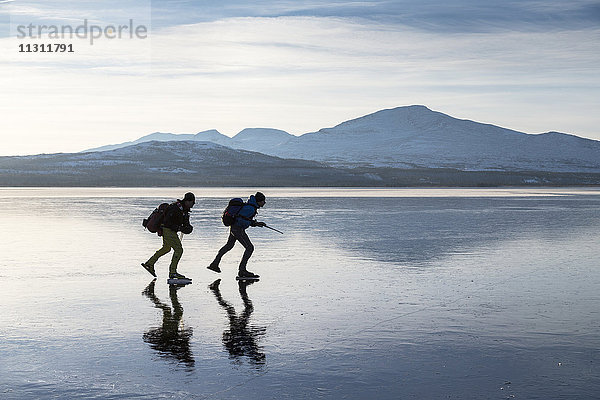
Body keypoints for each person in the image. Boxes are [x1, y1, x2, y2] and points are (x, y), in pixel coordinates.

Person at [207, 192, 266, 279]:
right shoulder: (251, 208)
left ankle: (214, 264)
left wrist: (255, 223)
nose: (264, 203)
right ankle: (242, 270)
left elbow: (243, 219)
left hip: (234, 228)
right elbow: (241, 220)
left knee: (229, 245)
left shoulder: (249, 206)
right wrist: (254, 223)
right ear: (259, 201)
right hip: (238, 229)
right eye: (263, 201)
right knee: (249, 248)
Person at [142, 192, 195, 280]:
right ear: (187, 201)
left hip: (169, 231)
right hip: (168, 230)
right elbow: (167, 223)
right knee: (179, 250)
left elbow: (185, 224)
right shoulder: (175, 208)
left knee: (166, 248)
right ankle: (173, 272)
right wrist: (179, 228)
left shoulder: (184, 210)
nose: (193, 205)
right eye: (192, 202)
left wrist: (188, 228)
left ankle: (149, 263)